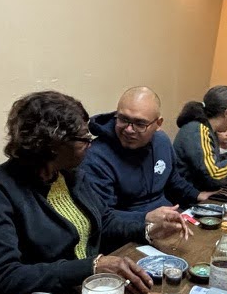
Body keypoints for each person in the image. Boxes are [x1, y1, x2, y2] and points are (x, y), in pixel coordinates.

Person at [0, 91, 190, 294]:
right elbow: (2, 278)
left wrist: (147, 227)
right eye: (84, 139)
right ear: (53, 144)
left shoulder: (69, 175)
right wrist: (91, 267)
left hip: (88, 291)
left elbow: (105, 219)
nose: (90, 144)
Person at [80, 87, 210, 238]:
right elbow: (103, 219)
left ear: (158, 124)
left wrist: (199, 195)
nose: (129, 129)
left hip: (168, 224)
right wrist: (146, 218)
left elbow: (173, 181)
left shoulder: (162, 141)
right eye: (123, 119)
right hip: (128, 235)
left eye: (140, 124)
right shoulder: (96, 157)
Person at [173, 85, 227, 191]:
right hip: (188, 196)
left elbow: (208, 162)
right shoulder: (199, 131)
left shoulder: (206, 128)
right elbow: (215, 176)